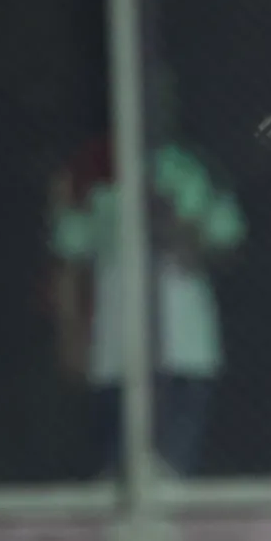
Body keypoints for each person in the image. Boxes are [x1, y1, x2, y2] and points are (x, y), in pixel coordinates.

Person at [49, 71, 247, 476]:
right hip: (115, 349)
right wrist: (71, 336)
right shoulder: (92, 170)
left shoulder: (193, 169)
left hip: (185, 348)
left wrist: (177, 229)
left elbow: (227, 244)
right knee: (117, 473)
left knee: (176, 473)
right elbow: (69, 257)